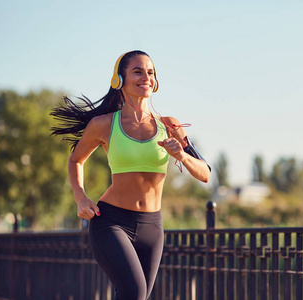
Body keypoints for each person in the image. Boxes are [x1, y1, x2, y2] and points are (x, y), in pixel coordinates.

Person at [51, 50, 211, 300]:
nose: (146, 76)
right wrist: (81, 198)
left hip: (152, 226)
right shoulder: (104, 124)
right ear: (119, 79)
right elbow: (76, 160)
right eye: (137, 71)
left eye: (150, 72)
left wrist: (182, 156)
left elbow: (205, 174)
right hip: (111, 221)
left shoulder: (170, 125)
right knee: (134, 292)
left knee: (136, 296)